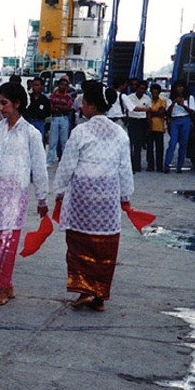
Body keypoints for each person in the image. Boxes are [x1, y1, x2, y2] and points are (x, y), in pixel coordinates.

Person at [53, 80, 134, 312]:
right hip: (107, 199)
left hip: (82, 198)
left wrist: (59, 191)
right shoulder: (119, 133)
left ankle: (84, 291)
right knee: (104, 249)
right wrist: (125, 196)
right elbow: (124, 168)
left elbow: (67, 165)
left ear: (89, 104)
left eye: (83, 104)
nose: (80, 108)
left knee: (80, 245)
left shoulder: (81, 131)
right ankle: (99, 296)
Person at [0, 82, 48, 305]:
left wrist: (42, 197)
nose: (0, 108)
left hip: (15, 194)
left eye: (4, 103)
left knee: (7, 240)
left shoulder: (31, 134)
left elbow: (39, 167)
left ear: (17, 103)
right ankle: (7, 284)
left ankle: (4, 287)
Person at [164, 80, 195, 173]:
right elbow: (168, 112)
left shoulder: (189, 98)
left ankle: (179, 166)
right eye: (178, 87)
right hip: (174, 120)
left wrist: (182, 105)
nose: (180, 89)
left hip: (185, 119)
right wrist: (174, 103)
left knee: (183, 143)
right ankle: (167, 165)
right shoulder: (170, 99)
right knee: (172, 143)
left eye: (181, 87)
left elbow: (192, 111)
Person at [46, 77, 73, 166]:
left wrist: (58, 107)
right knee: (52, 141)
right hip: (55, 118)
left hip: (64, 118)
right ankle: (49, 161)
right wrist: (62, 107)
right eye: (62, 84)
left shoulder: (68, 97)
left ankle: (64, 161)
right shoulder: (53, 96)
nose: (63, 87)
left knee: (64, 141)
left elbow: (68, 108)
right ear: (58, 85)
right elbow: (51, 108)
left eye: (65, 85)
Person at [126, 80, 152, 172]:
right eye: (140, 88)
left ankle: (137, 166)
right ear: (136, 88)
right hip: (132, 121)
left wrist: (149, 125)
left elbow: (148, 112)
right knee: (130, 144)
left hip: (142, 122)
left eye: (144, 89)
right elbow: (128, 110)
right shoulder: (129, 98)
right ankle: (130, 165)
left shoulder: (147, 98)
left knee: (138, 145)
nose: (142, 91)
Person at [147, 84, 167, 172]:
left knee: (159, 148)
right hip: (149, 127)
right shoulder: (148, 101)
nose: (155, 94)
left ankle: (159, 166)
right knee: (149, 148)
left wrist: (151, 112)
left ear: (159, 93)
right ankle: (150, 166)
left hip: (159, 127)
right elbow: (148, 113)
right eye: (153, 92)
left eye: (156, 92)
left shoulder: (163, 101)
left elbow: (162, 112)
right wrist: (156, 112)